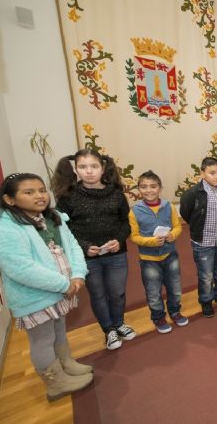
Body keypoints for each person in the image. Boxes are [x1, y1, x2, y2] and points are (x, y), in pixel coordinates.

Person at [0, 173, 93, 401]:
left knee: (59, 330)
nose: (39, 196)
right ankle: (56, 383)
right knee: (43, 339)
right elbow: (21, 268)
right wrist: (64, 284)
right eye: (29, 192)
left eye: (42, 190)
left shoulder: (51, 217)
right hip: (36, 296)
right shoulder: (1, 228)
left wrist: (78, 275)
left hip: (63, 290)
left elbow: (71, 246)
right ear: (9, 199)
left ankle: (66, 365)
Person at [52, 149, 135, 350]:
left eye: (94, 166)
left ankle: (119, 323)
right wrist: (85, 247)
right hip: (88, 257)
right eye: (83, 167)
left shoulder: (116, 194)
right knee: (98, 294)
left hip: (117, 254)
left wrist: (119, 239)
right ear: (76, 169)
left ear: (103, 167)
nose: (89, 171)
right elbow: (65, 230)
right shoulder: (68, 197)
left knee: (117, 293)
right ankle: (108, 330)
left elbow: (126, 223)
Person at [129, 171, 188, 333]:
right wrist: (151, 241)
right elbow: (134, 237)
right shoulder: (135, 211)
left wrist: (172, 235)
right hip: (148, 259)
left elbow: (177, 226)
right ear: (138, 189)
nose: (149, 190)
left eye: (153, 186)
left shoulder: (169, 206)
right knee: (153, 291)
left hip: (170, 255)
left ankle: (175, 311)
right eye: (144, 187)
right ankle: (158, 316)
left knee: (174, 287)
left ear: (160, 188)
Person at [179, 157, 217, 317]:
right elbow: (186, 213)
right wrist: (197, 228)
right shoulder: (193, 193)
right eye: (212, 173)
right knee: (206, 275)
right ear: (202, 173)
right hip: (203, 242)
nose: (216, 176)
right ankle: (206, 300)